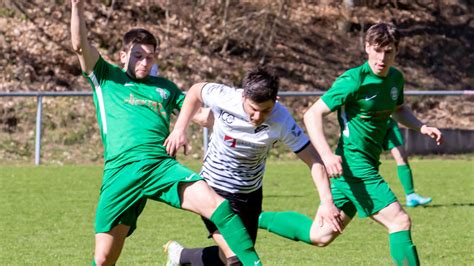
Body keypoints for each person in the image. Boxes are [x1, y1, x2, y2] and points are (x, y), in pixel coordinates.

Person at [70, 1, 262, 265]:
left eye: (150, 57)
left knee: (218, 205)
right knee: (103, 260)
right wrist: (77, 7)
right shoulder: (106, 76)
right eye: (138, 55)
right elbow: (80, 46)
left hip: (160, 166)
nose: (144, 62)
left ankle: (246, 262)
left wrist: (245, 117)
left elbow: (202, 116)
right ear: (123, 55)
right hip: (121, 172)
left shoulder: (165, 88)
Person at [257, 22, 443, 265]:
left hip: (361, 167)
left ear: (397, 51)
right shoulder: (353, 80)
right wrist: (326, 155)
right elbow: (311, 115)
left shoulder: (396, 78)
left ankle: (253, 217)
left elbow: (398, 109)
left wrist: (421, 126)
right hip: (355, 167)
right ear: (367, 48)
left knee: (320, 235)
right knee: (399, 221)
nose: (382, 58)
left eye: (389, 51)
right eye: (377, 50)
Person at [162, 67, 343, 265]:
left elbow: (313, 160)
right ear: (243, 96)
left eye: (265, 110)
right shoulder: (225, 97)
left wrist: (326, 201)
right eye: (252, 109)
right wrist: (179, 129)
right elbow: (196, 91)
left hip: (249, 194)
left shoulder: (281, 119)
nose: (257, 117)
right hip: (213, 189)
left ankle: (181, 256)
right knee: (240, 259)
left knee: (227, 258)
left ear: (276, 100)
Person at [384, 118, 432, 207]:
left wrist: (423, 127)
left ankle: (411, 196)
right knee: (365, 160)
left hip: (389, 121)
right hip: (368, 123)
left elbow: (400, 109)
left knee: (402, 157)